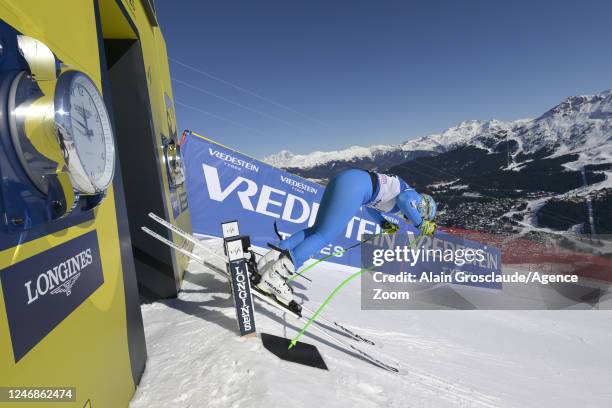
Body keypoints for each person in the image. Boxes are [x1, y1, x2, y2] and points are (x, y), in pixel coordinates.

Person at [254, 168, 437, 308]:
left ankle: (270, 261)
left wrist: (382, 223)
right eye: (422, 215)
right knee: (324, 236)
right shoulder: (412, 195)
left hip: (348, 180)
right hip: (355, 187)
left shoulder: (397, 198)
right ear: (423, 207)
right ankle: (275, 276)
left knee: (317, 230)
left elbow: (371, 206)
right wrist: (422, 224)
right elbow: (407, 201)